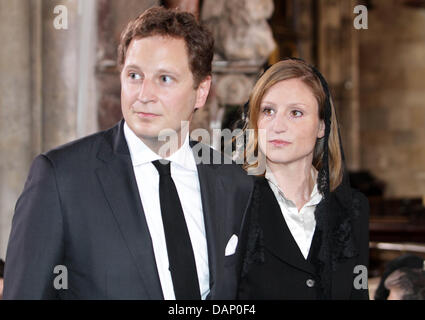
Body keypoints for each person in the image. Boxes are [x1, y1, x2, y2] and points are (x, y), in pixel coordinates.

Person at [3, 7, 253, 300]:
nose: (144, 95)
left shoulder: (234, 183)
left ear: (201, 91)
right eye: (134, 75)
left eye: (165, 79)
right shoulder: (61, 179)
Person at [237, 58, 370, 299]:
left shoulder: (353, 208)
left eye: (295, 113)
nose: (277, 126)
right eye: (268, 111)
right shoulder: (233, 200)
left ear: (322, 126)